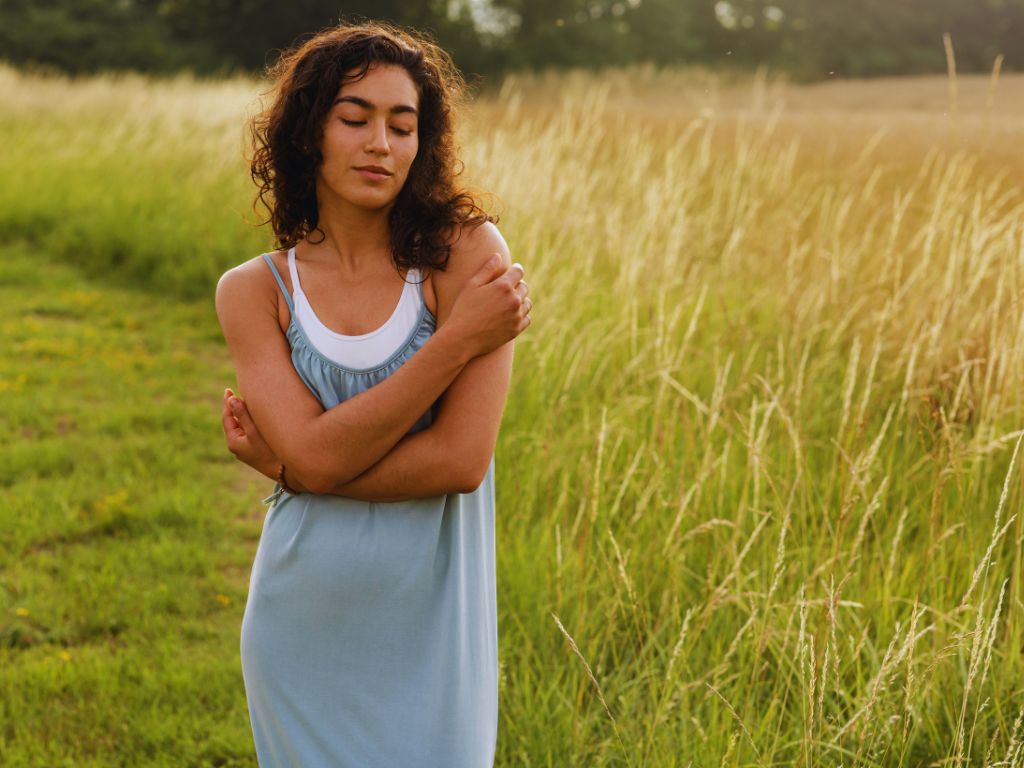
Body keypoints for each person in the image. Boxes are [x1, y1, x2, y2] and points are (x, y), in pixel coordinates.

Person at [213, 21, 532, 767]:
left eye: (402, 124)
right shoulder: (255, 292)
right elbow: (317, 462)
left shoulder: (468, 256)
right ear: (308, 135)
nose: (380, 143)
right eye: (354, 118)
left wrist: (299, 466)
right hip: (301, 630)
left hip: (435, 633)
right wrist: (457, 342)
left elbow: (460, 461)